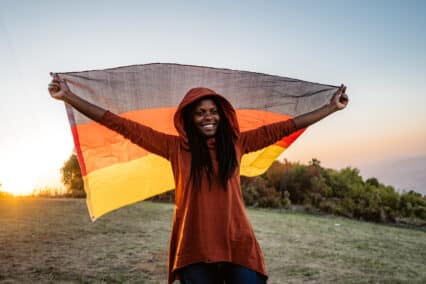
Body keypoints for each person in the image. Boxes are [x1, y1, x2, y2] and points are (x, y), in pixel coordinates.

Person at [49, 76, 348, 284]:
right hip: (193, 247)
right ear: (189, 117)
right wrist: (70, 97)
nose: (209, 117)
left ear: (222, 115)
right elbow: (119, 124)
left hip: (237, 244)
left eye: (213, 112)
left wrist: (332, 108)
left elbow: (287, 126)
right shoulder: (173, 147)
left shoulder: (236, 143)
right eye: (201, 113)